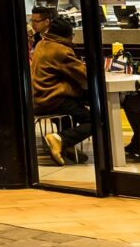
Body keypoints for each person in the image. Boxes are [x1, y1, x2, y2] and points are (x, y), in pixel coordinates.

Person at [32, 15, 95, 165]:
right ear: (66, 35)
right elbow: (84, 74)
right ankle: (60, 139)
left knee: (72, 110)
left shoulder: (42, 44)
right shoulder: (61, 50)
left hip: (37, 96)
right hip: (51, 98)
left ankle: (66, 147)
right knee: (97, 120)